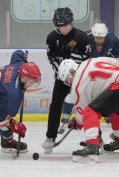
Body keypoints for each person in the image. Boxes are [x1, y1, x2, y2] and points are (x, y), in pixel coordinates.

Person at [58, 57, 119, 162]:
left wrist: (75, 123)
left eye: (67, 79)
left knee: (90, 111)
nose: (69, 82)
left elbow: (83, 116)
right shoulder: (89, 61)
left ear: (70, 73)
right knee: (116, 110)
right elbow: (115, 62)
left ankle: (92, 146)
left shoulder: (76, 87)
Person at [42, 7, 90, 153]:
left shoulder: (81, 37)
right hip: (62, 78)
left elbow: (87, 59)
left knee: (88, 107)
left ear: (71, 22)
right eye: (60, 26)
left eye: (66, 26)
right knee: (55, 105)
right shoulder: (51, 38)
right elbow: (52, 58)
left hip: (80, 78)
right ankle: (51, 136)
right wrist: (62, 72)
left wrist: (73, 68)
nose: (63, 29)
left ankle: (95, 139)